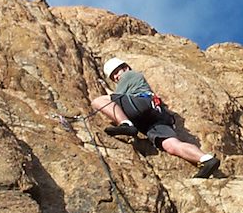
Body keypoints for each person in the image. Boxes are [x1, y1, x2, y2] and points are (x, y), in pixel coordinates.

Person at [92, 57, 221, 179]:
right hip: (156, 116)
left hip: (140, 105)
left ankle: (126, 124)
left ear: (125, 68)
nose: (115, 77)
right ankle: (206, 160)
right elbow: (118, 98)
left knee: (97, 101)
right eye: (112, 76)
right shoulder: (135, 80)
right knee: (171, 145)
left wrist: (104, 89)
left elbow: (114, 98)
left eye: (116, 72)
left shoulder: (128, 75)